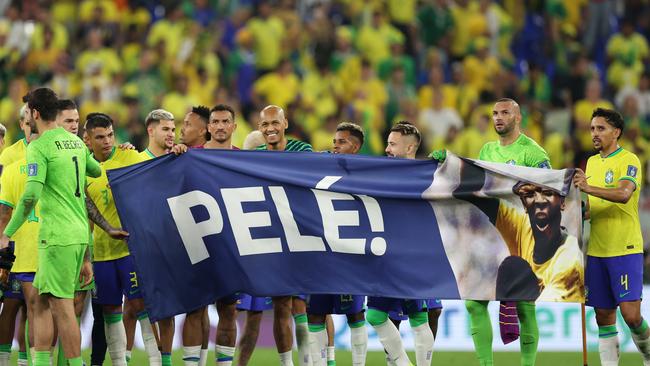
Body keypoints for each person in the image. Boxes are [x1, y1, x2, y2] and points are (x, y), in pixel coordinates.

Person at [0, 87, 99, 366]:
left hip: (57, 236)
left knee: (62, 308)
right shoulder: (76, 143)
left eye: (29, 110)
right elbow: (96, 171)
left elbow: (31, 195)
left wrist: (7, 234)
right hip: (79, 234)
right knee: (44, 304)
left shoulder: (40, 146)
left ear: (35, 113)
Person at [453, 98, 550, 366]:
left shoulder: (534, 153)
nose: (498, 117)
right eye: (495, 113)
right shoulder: (487, 151)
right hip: (490, 237)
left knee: (524, 305)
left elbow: (548, 192)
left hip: (522, 237)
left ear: (518, 118)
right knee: (474, 302)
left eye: (505, 112)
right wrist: (444, 165)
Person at [573, 107, 650, 366]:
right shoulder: (592, 163)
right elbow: (594, 206)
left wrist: (587, 187)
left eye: (601, 128)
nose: (594, 133)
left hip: (624, 248)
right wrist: (575, 211)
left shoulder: (629, 160)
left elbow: (622, 195)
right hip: (597, 250)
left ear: (616, 132)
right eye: (592, 128)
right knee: (603, 316)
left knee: (631, 316)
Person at [84, 113, 160, 366]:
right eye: (100, 137)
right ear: (88, 140)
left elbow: (156, 171)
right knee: (110, 311)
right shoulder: (83, 168)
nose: (107, 141)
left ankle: (156, 361)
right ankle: (119, 363)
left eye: (110, 135)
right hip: (101, 254)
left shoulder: (128, 156)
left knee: (141, 306)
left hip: (131, 250)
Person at [367, 121, 436, 366]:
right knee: (374, 315)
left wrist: (446, 161)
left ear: (410, 149)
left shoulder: (427, 176)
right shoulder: (382, 174)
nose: (387, 149)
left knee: (419, 316)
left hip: (412, 257)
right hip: (385, 256)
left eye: (393, 144)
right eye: (387, 143)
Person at [308, 122, 367, 366]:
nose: (334, 145)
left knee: (355, 313)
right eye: (334, 141)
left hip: (350, 253)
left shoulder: (366, 173)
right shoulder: (323, 167)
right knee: (315, 313)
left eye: (341, 142)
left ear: (355, 147)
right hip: (322, 253)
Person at [257, 105, 312, 366]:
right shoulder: (252, 157)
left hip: (301, 235)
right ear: (260, 128)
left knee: (304, 306)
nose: (270, 129)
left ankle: (310, 361)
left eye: (274, 123)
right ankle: (287, 364)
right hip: (271, 238)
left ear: (285, 124)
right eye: (265, 124)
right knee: (281, 304)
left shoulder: (302, 151)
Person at [137, 108, 177, 366]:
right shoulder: (135, 162)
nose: (171, 134)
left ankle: (165, 361)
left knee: (169, 307)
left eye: (173, 129)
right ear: (151, 131)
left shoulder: (179, 159)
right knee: (140, 305)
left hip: (173, 244)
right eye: (166, 129)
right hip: (144, 245)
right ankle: (152, 358)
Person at [205, 104, 239, 366]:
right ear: (208, 127)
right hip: (199, 245)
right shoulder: (190, 156)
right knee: (196, 309)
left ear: (234, 127)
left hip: (231, 246)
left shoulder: (245, 160)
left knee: (228, 310)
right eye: (215, 121)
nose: (219, 126)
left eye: (225, 121)